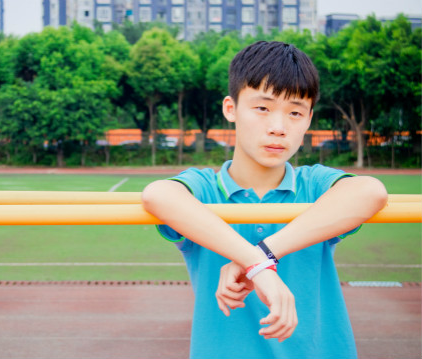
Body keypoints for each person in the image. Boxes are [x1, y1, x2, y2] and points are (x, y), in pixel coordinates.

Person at [141, 41, 388, 359]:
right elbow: (158, 195)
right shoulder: (206, 189)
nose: (278, 128)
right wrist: (258, 268)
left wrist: (261, 258)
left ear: (309, 119)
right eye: (263, 108)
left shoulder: (313, 186)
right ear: (230, 109)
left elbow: (371, 192)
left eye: (295, 113)